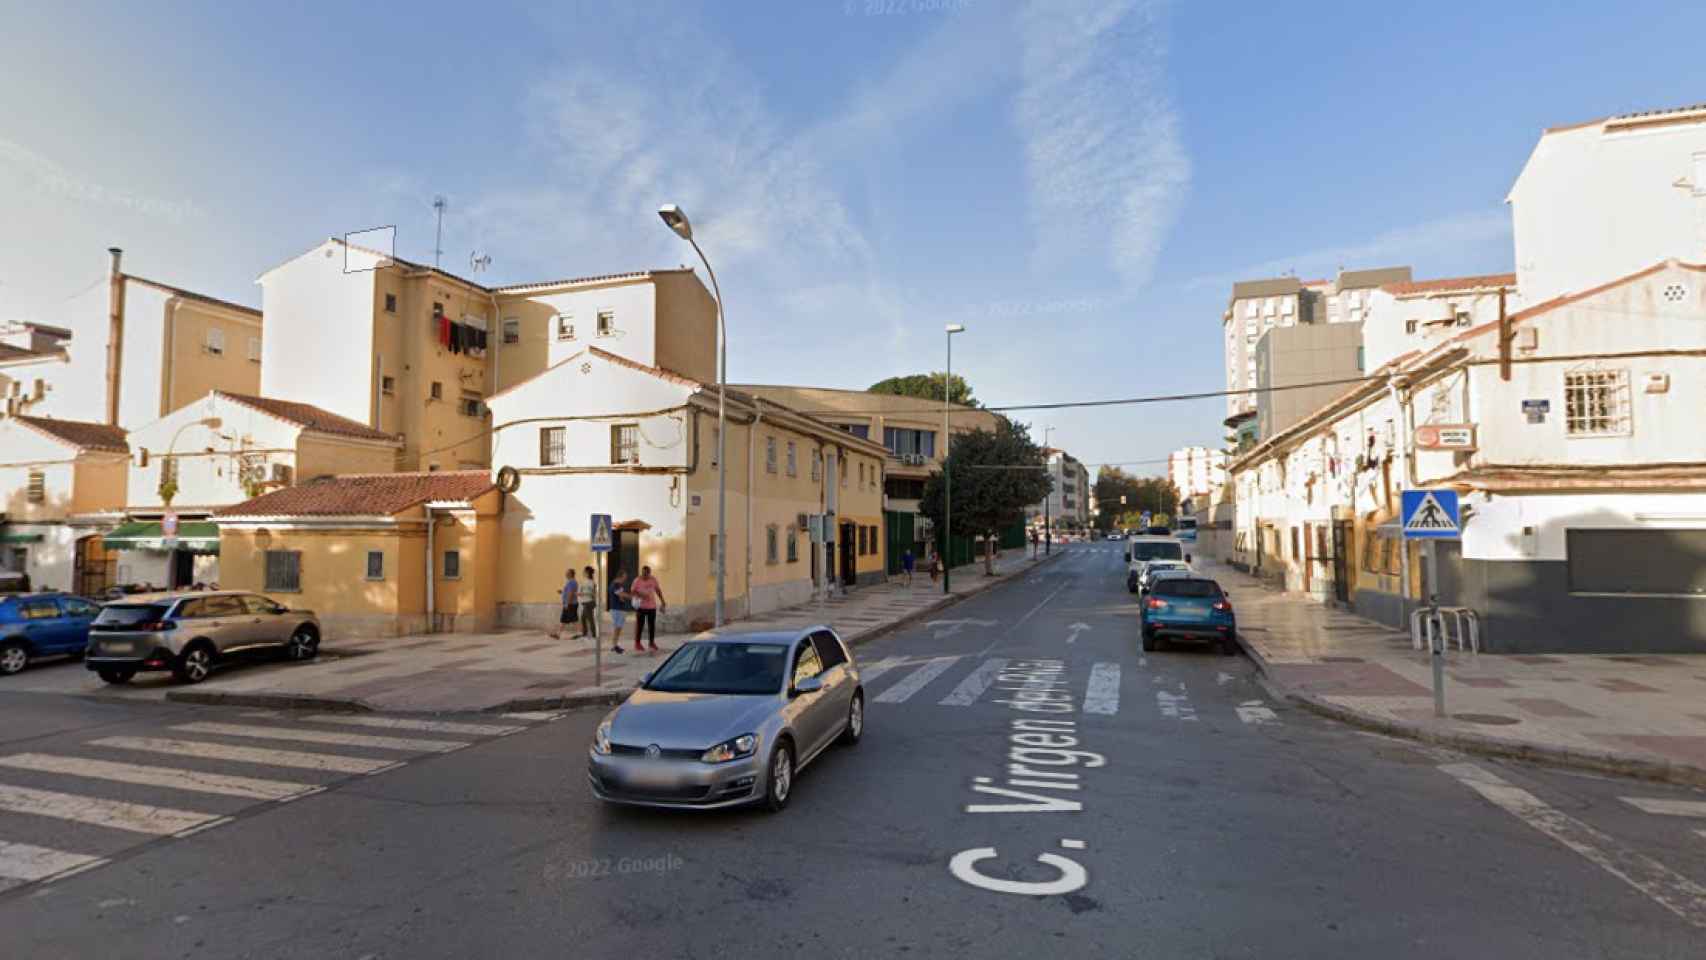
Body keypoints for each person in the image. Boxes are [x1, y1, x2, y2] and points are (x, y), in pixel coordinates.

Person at [629, 565, 665, 654]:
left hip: (652, 607)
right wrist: (641, 595)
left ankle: (651, 643)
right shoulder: (637, 580)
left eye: (646, 574)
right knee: (640, 626)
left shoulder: (653, 580)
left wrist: (663, 601)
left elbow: (658, 590)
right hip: (641, 607)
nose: (644, 575)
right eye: (643, 573)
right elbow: (632, 591)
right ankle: (637, 643)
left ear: (649, 573)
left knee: (652, 626)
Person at [607, 567, 631, 654]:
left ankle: (615, 645)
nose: (625, 579)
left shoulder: (618, 585)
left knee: (618, 628)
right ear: (620, 576)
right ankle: (614, 645)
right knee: (617, 628)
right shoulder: (615, 584)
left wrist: (622, 598)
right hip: (617, 609)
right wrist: (632, 597)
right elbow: (621, 594)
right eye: (624, 577)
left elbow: (619, 596)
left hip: (619, 608)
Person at [554, 569, 579, 640]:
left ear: (570, 574)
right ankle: (558, 634)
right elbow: (568, 592)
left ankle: (580, 633)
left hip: (570, 604)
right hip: (568, 603)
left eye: (567, 573)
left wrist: (567, 604)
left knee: (574, 619)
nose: (565, 574)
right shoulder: (571, 582)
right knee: (564, 619)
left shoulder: (572, 582)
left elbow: (571, 594)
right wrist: (562, 592)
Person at [579, 565, 599, 641]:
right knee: (583, 618)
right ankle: (585, 633)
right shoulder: (585, 581)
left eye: (584, 571)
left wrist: (583, 594)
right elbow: (582, 592)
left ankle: (593, 635)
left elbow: (593, 594)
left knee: (590, 619)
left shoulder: (591, 582)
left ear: (587, 573)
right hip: (586, 602)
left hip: (589, 602)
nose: (583, 573)